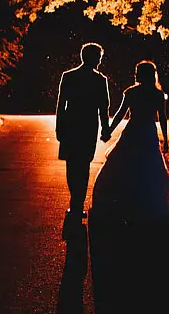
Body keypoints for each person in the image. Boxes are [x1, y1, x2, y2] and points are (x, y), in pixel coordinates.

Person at [91, 60, 169, 223]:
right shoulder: (157, 94)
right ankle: (145, 202)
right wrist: (165, 138)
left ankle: (121, 199)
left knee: (124, 164)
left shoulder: (131, 92)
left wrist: (109, 130)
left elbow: (120, 114)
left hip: (133, 131)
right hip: (148, 132)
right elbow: (162, 118)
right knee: (148, 166)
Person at [55, 42, 111, 225]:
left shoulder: (69, 76)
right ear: (95, 58)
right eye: (99, 57)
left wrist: (59, 126)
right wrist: (105, 128)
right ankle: (77, 202)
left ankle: (76, 202)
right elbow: (104, 107)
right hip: (88, 126)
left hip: (70, 125)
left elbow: (61, 105)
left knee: (72, 165)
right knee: (84, 165)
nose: (100, 61)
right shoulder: (100, 80)